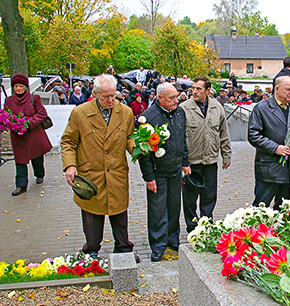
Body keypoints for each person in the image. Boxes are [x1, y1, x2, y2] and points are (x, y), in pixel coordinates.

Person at [61, 74, 136, 260]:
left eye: (113, 95)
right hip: (90, 174)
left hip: (116, 173)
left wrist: (141, 148)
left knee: (119, 214)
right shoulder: (80, 113)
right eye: (105, 97)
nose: (111, 100)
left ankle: (123, 249)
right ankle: (91, 250)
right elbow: (68, 141)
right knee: (92, 216)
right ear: (95, 93)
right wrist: (70, 165)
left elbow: (130, 138)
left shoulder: (125, 112)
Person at [137, 83, 191, 261]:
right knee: (158, 210)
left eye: (177, 97)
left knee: (174, 206)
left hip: (175, 170)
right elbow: (143, 152)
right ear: (160, 98)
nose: (176, 101)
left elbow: (182, 140)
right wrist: (148, 177)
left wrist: (185, 162)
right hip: (157, 172)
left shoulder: (180, 113)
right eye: (171, 98)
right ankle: (158, 245)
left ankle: (172, 239)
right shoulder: (147, 118)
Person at [180, 76, 232, 233]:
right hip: (190, 162)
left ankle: (206, 225)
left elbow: (224, 133)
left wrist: (226, 155)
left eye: (198, 89)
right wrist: (182, 161)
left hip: (210, 160)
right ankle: (191, 227)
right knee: (189, 199)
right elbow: (179, 137)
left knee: (209, 196)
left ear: (208, 91)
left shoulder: (217, 108)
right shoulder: (183, 108)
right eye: (193, 88)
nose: (194, 92)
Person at [248, 76, 290, 210]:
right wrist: (275, 148)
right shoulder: (262, 108)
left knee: (283, 209)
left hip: (288, 169)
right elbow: (253, 135)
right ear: (277, 89)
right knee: (260, 209)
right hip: (269, 168)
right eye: (288, 89)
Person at [4, 74, 53, 196]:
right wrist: (12, 122)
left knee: (36, 157)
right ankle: (21, 185)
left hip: (33, 133)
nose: (19, 88)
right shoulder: (9, 100)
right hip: (18, 136)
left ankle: (39, 174)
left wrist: (28, 123)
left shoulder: (34, 98)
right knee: (20, 160)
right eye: (16, 86)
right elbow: (5, 115)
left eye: (21, 86)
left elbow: (41, 114)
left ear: (25, 86)